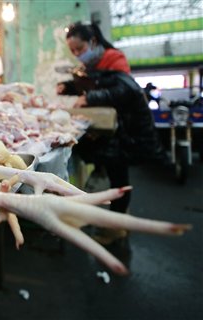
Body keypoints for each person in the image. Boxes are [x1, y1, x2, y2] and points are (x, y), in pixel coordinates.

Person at [57, 21, 166, 245]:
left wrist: (89, 98)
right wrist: (67, 87)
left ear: (93, 42)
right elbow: (91, 84)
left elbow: (123, 90)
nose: (77, 55)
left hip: (128, 130)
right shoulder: (95, 66)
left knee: (119, 179)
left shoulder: (114, 60)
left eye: (79, 49)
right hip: (113, 131)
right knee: (114, 172)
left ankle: (117, 228)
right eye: (73, 51)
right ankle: (114, 221)